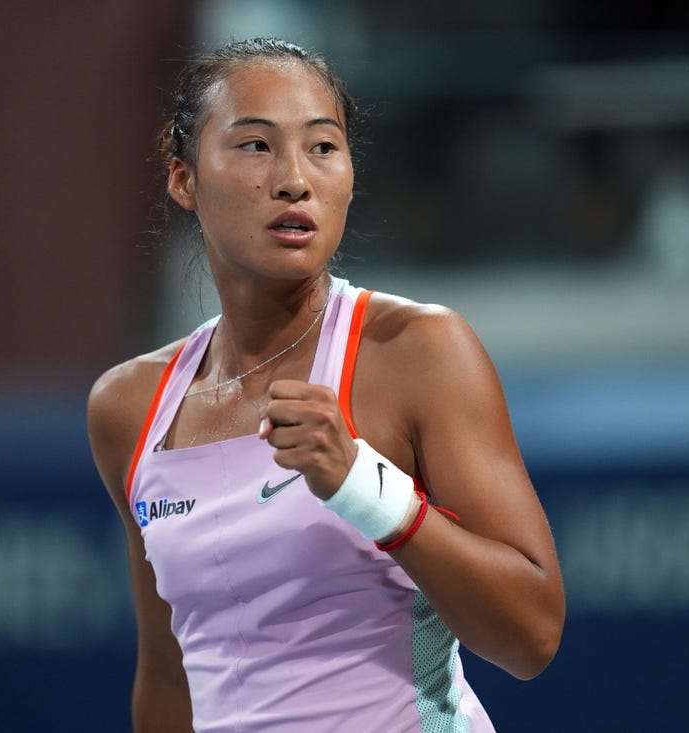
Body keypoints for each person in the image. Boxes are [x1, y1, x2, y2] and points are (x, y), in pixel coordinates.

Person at [87, 37, 565, 733]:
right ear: (184, 178)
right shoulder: (128, 408)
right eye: (255, 146)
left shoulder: (418, 351)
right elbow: (169, 677)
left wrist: (365, 487)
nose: (293, 179)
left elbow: (532, 634)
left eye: (322, 147)